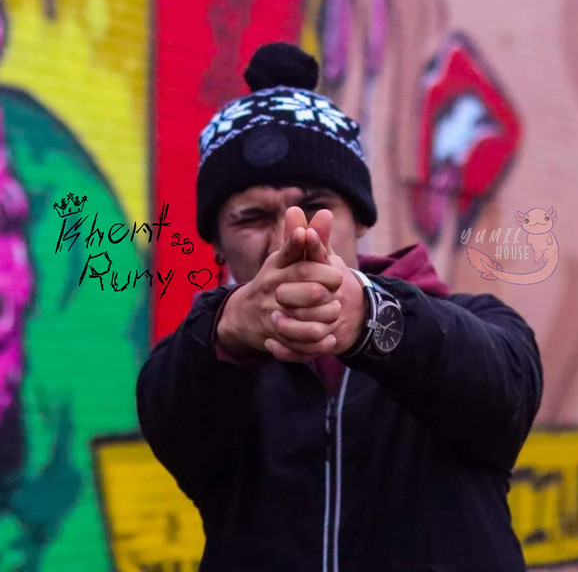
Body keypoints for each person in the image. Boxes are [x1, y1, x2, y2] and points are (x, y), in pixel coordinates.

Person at [136, 42, 543, 572]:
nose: (289, 237)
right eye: (252, 218)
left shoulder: (480, 322)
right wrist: (227, 329)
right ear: (216, 241)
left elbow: (503, 392)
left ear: (362, 219)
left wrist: (374, 320)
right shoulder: (203, 365)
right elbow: (173, 416)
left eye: (314, 207)